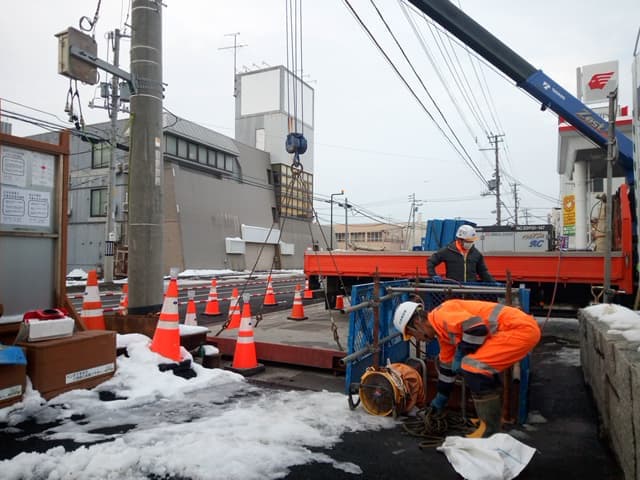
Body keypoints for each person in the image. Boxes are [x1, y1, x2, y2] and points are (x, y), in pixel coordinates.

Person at [393, 299, 541, 437]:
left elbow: (477, 328)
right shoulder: (443, 333)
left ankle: (489, 429)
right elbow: (447, 368)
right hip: (514, 330)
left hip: (519, 330)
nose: (417, 339)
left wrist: (460, 354)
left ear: (417, 322)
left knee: (473, 367)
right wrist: (441, 397)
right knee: (481, 369)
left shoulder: (441, 316)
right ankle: (490, 422)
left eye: (412, 334)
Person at [427, 224, 495, 283]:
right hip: (454, 288)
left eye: (472, 241)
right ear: (459, 239)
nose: (470, 243)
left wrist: (493, 283)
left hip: (471, 289)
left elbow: (483, 272)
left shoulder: (476, 254)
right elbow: (431, 261)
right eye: (468, 241)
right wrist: (433, 275)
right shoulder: (448, 251)